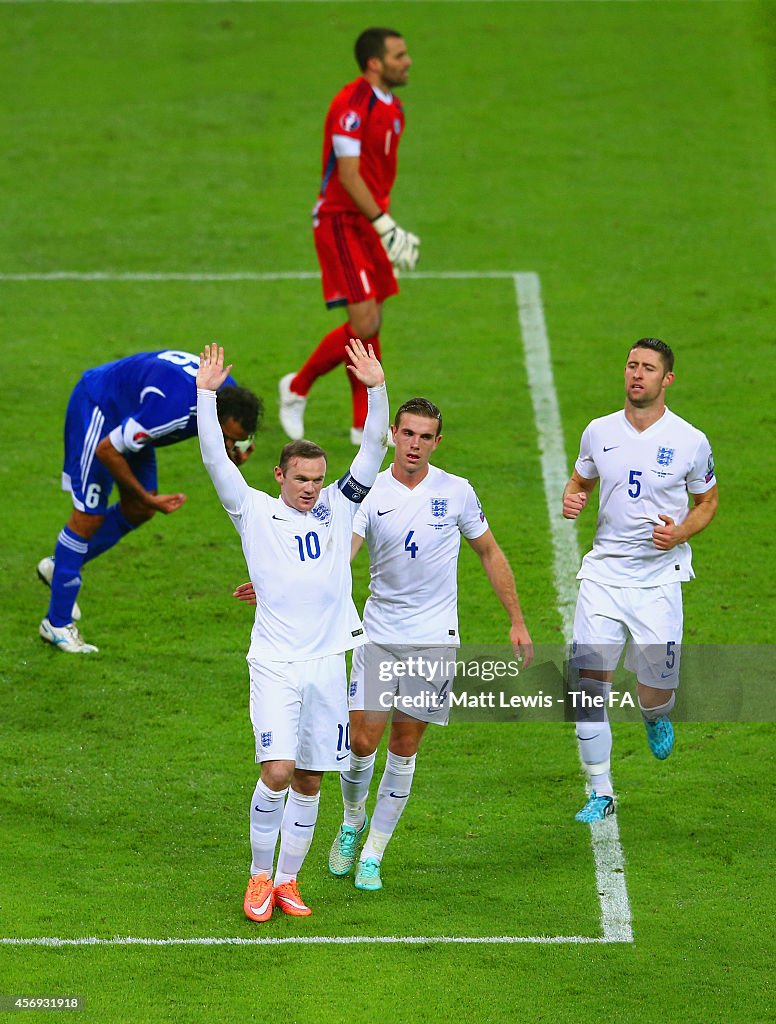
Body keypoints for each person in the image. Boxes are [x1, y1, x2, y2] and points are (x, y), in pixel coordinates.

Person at [197, 339, 388, 922]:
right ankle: (258, 877)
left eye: (317, 478)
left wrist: (376, 390)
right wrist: (206, 398)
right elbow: (213, 461)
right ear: (280, 475)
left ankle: (288, 881)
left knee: (309, 778)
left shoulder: (340, 506)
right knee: (277, 772)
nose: (310, 487)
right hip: (276, 663)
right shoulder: (253, 510)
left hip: (330, 661)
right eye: (301, 477)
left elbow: (374, 448)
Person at [562, 338, 718, 822]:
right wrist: (573, 498)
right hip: (604, 576)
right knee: (586, 688)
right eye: (632, 365)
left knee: (655, 689)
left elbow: (707, 502)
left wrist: (681, 533)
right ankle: (601, 793)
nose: (637, 374)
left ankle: (655, 716)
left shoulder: (690, 440)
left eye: (648, 368)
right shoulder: (598, 431)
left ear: (666, 379)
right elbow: (582, 479)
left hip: (657, 582)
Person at [38, 349, 261, 654]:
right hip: (101, 408)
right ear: (212, 414)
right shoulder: (172, 410)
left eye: (237, 440)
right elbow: (107, 450)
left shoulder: (225, 391)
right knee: (89, 514)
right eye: (226, 437)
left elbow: (227, 435)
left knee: (139, 510)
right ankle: (57, 624)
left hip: (134, 413)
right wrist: (147, 497)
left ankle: (62, 564)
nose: (229, 445)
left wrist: (233, 452)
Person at [278, 27, 419, 446]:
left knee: (371, 321)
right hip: (341, 220)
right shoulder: (351, 106)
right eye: (398, 55)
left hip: (369, 221)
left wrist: (382, 222)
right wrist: (385, 225)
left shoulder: (395, 109)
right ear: (375, 63)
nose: (407, 60)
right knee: (363, 320)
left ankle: (362, 424)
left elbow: (378, 177)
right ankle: (298, 386)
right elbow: (348, 173)